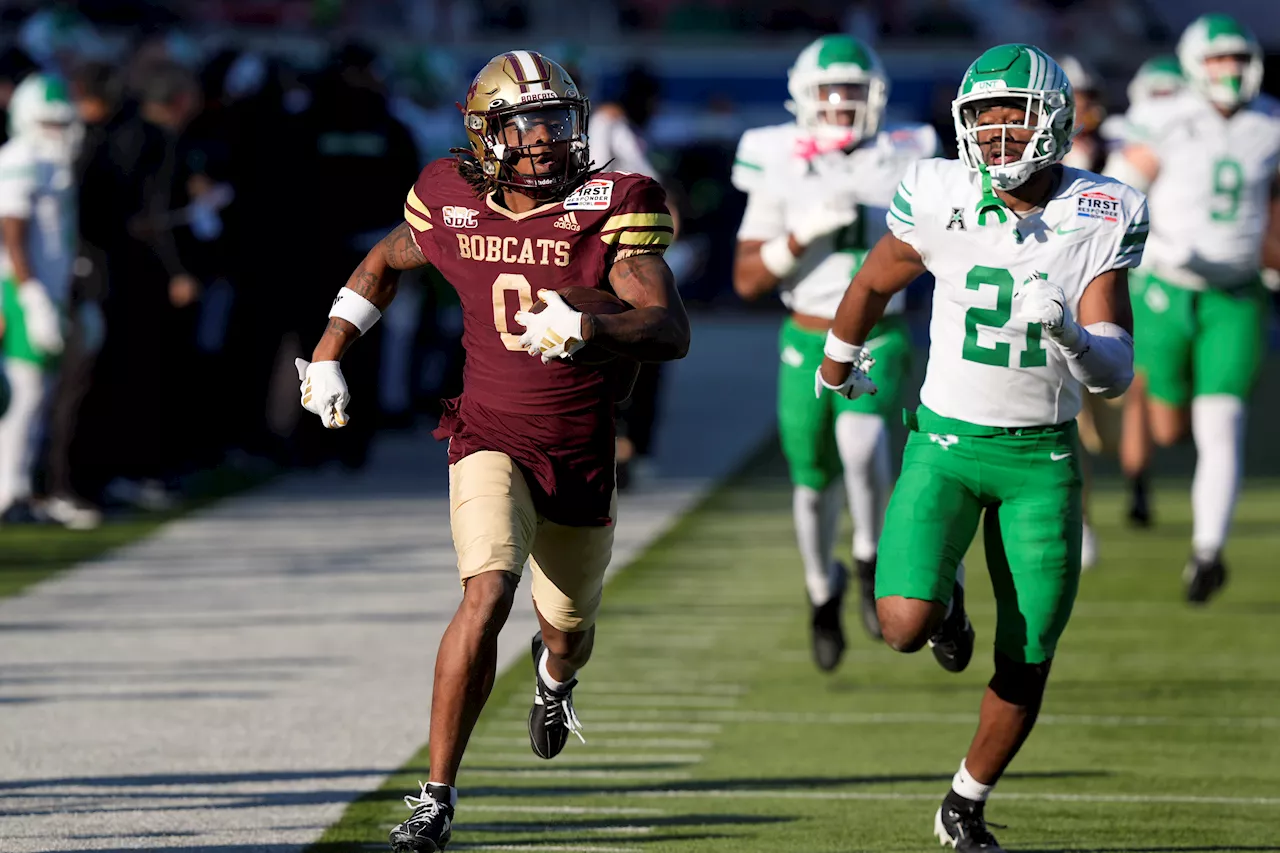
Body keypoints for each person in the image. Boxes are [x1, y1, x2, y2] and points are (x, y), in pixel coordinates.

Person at [294, 51, 688, 853]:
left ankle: (555, 677)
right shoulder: (450, 200)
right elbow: (381, 262)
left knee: (567, 627)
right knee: (486, 592)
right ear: (487, 135)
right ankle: (435, 798)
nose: (547, 139)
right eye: (528, 123)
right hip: (487, 435)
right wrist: (330, 350)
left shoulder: (609, 207)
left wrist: (591, 324)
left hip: (579, 451)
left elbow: (670, 328)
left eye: (558, 119)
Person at [818, 44, 1145, 850]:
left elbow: (1113, 375)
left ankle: (964, 801)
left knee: (1028, 649)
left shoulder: (1103, 208)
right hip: (947, 441)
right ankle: (946, 596)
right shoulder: (938, 192)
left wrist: (1068, 330)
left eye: (1014, 115)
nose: (997, 134)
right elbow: (874, 277)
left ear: (1057, 120)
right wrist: (838, 357)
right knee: (900, 624)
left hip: (1043, 459)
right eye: (982, 117)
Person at [731, 34, 937, 671]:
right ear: (804, 96)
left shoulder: (911, 150)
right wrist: (800, 235)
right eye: (830, 89)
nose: (842, 101)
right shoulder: (777, 157)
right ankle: (823, 590)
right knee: (813, 483)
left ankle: (872, 556)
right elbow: (747, 281)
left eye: (853, 88)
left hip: (881, 333)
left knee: (863, 444)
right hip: (805, 333)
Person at [1104, 14, 1280, 603]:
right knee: (1170, 427)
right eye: (1218, 59)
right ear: (1193, 65)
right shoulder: (1167, 121)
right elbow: (1112, 192)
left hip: (1235, 294)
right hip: (1167, 289)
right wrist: (1153, 241)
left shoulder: (1269, 123)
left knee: (1222, 423)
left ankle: (1208, 552)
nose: (1229, 70)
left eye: (1237, 57)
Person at [0, 73, 78, 522]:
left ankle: (22, 487)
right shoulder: (19, 157)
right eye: (48, 121)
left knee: (42, 393)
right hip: (23, 289)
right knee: (23, 393)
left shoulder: (55, 161)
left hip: (51, 289)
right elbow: (12, 233)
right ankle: (10, 490)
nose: (56, 130)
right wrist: (31, 297)